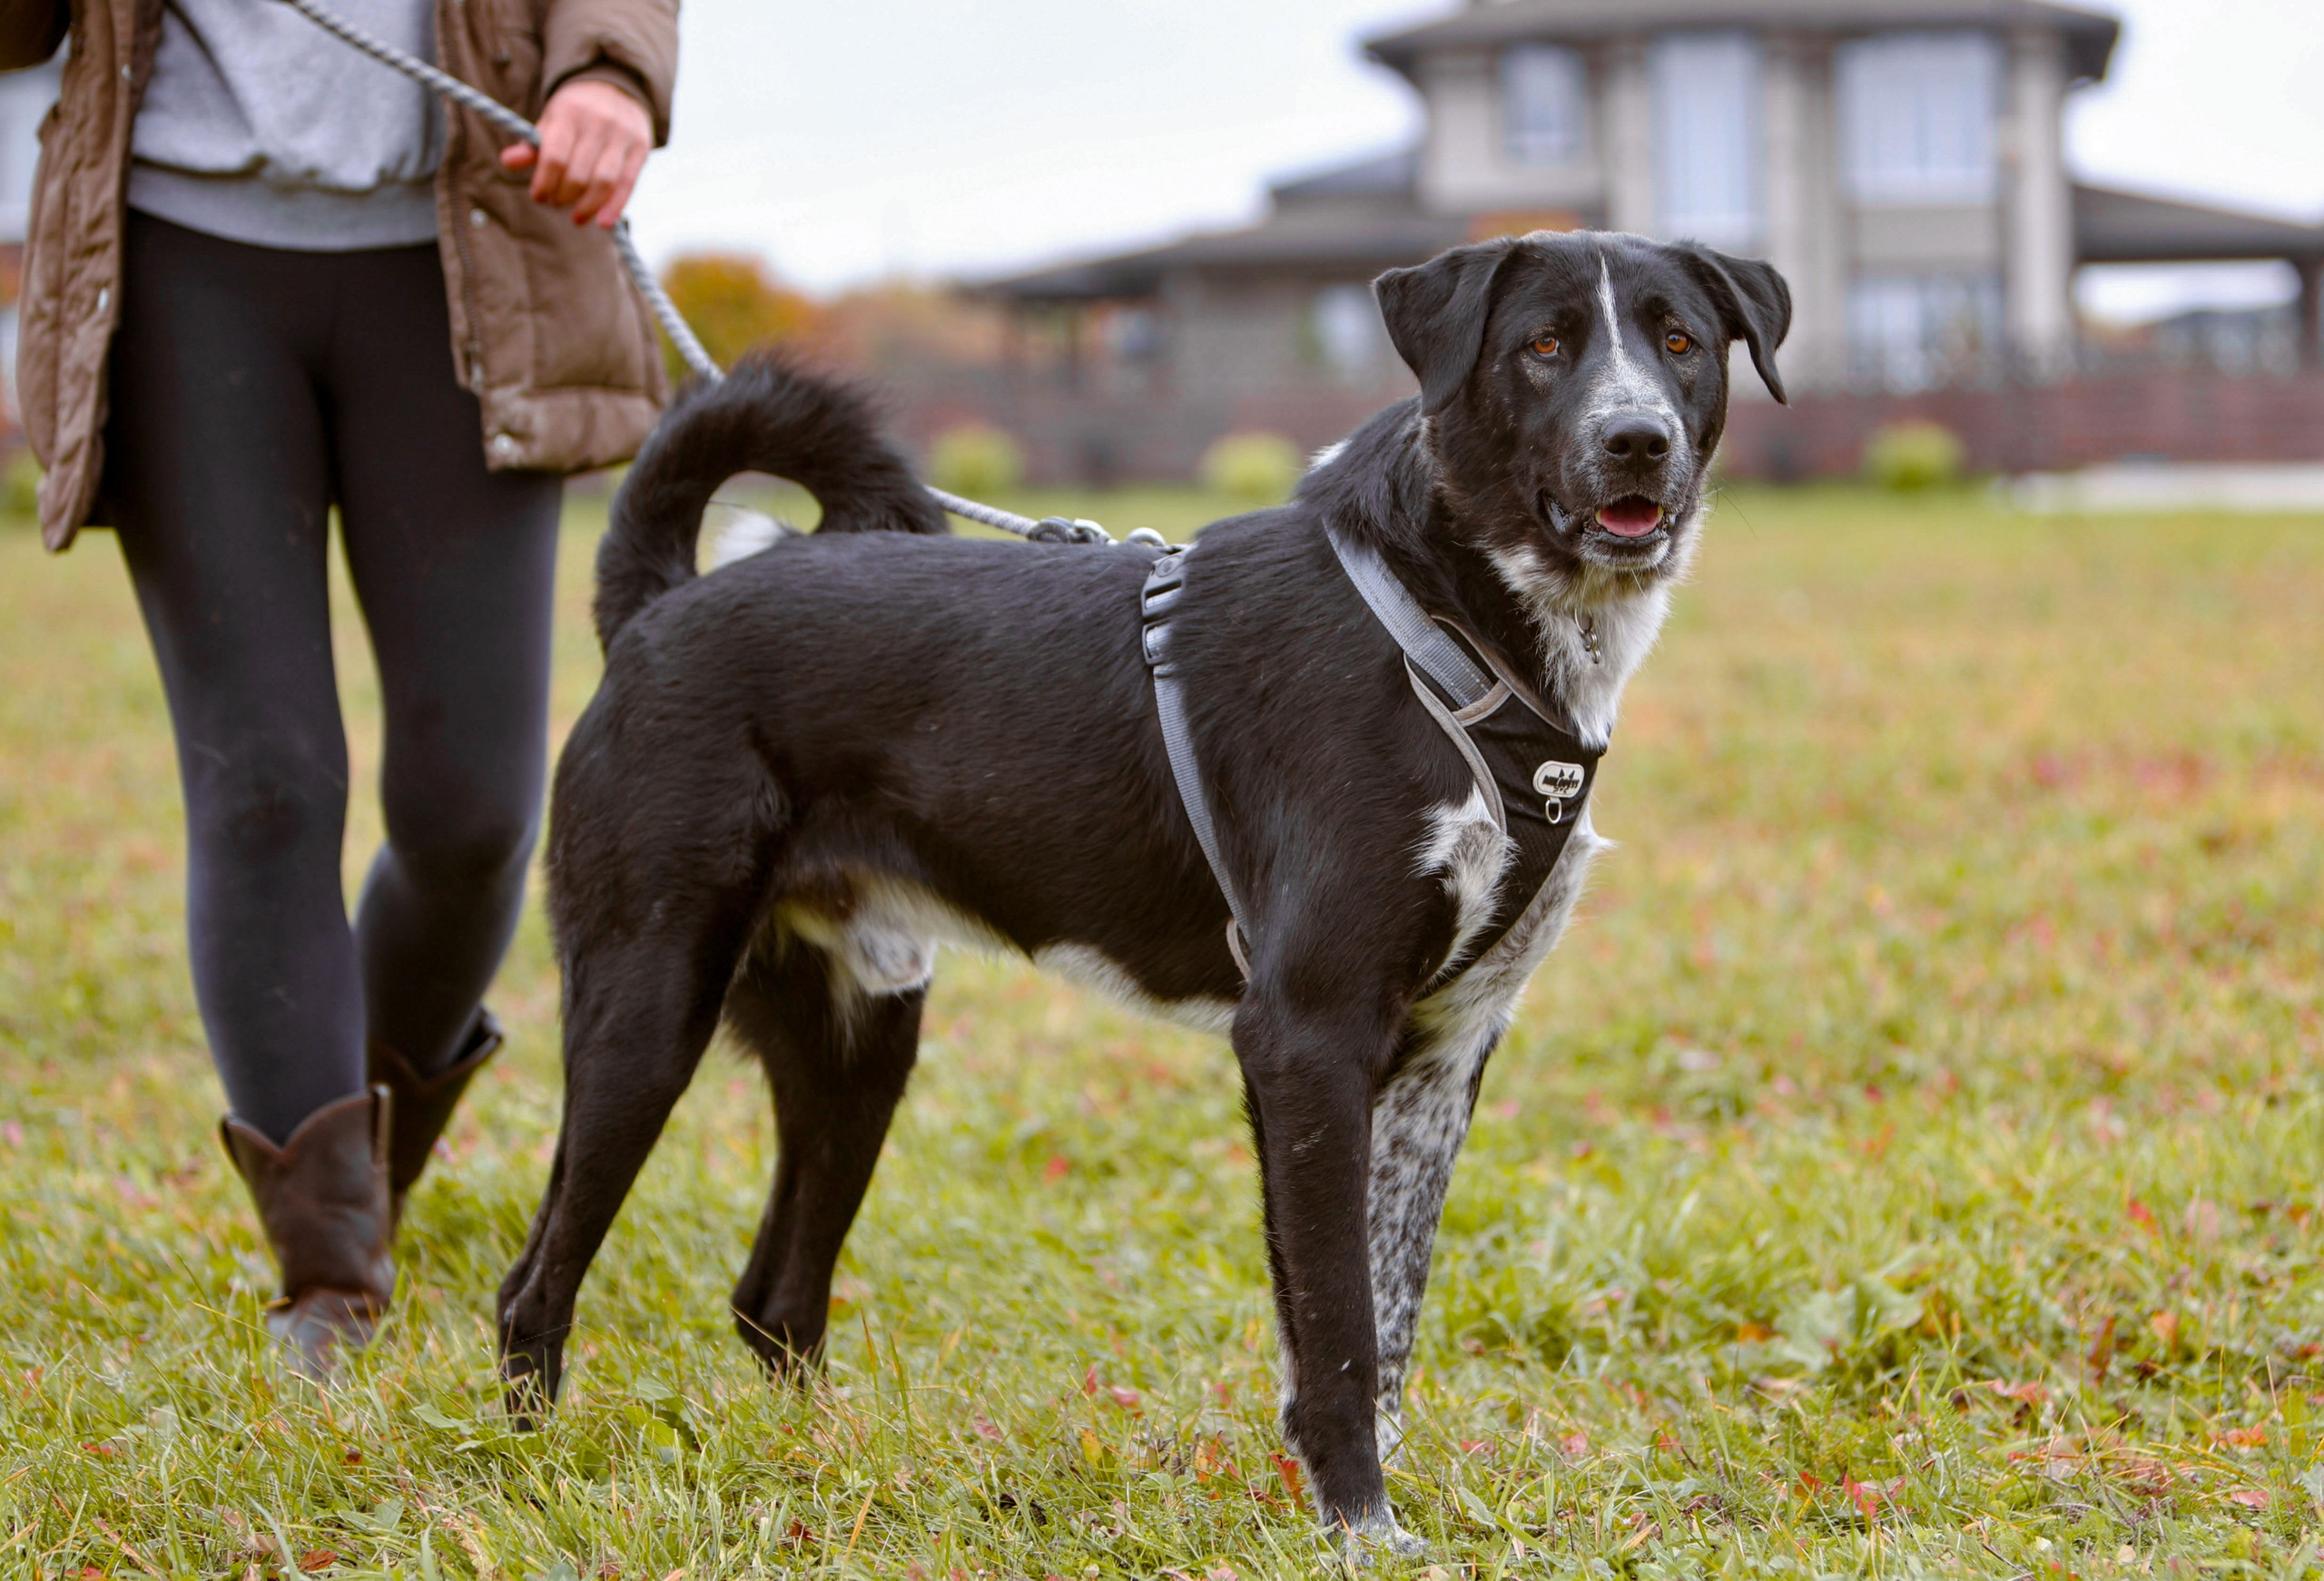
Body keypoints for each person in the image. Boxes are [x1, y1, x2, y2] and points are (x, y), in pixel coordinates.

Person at [0, 0, 678, 1374]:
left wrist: (610, 68)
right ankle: (328, 1268)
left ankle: (354, 1152)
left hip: (467, 239)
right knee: (260, 782)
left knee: (473, 807)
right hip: (180, 257)